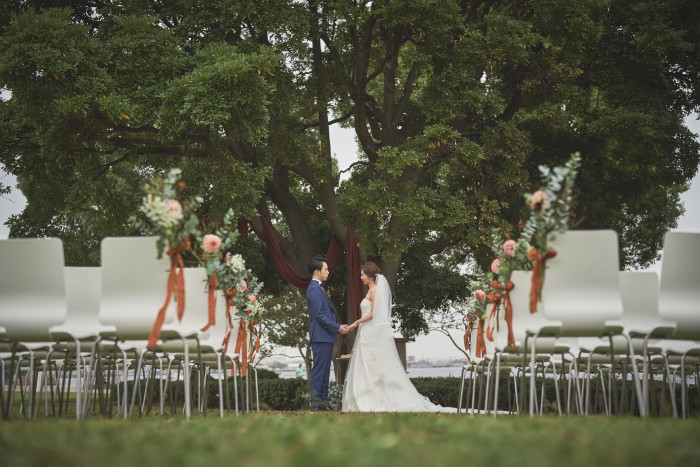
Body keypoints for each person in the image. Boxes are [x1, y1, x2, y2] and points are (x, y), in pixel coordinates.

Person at [342, 261, 455, 412]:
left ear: (370, 277)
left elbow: (374, 313)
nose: (361, 277)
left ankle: (376, 397)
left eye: (362, 275)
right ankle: (366, 394)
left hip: (369, 331)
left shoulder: (375, 291)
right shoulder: (369, 291)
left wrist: (357, 322)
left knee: (372, 363)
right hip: (366, 332)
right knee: (366, 363)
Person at [306, 256, 350, 412]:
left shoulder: (319, 288)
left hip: (325, 336)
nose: (328, 272)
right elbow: (319, 315)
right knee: (319, 370)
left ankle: (323, 403)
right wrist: (337, 327)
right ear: (317, 272)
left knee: (325, 371)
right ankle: (316, 404)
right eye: (326, 269)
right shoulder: (313, 289)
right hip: (320, 336)